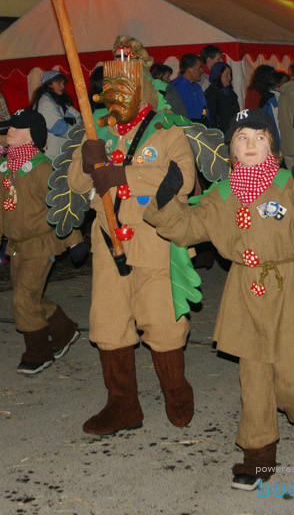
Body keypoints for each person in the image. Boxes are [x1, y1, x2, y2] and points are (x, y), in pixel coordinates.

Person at [144, 109, 294, 491]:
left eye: (259, 137)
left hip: (288, 288)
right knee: (254, 379)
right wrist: (165, 202)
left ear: (273, 148)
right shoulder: (221, 193)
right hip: (246, 290)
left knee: (293, 377)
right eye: (241, 137)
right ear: (231, 149)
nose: (250, 144)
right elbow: (186, 230)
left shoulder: (288, 184)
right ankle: (258, 455)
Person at [67, 45, 197, 434]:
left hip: (155, 241)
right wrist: (88, 162)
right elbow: (75, 184)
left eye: (123, 89)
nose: (115, 98)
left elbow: (183, 180)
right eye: (110, 90)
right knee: (107, 322)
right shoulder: (96, 132)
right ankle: (123, 405)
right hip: (107, 242)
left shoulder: (167, 130)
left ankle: (176, 393)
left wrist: (124, 177)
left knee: (162, 322)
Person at [0, 109, 83, 374]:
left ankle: (38, 352)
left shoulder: (42, 169)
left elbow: (60, 206)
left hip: (41, 243)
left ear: (32, 135)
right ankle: (65, 330)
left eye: (16, 128)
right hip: (16, 245)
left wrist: (75, 241)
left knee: (23, 299)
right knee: (30, 296)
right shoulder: (4, 168)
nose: (9, 131)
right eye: (9, 127)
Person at [31, 70, 81, 160]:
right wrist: (77, 131)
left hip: (60, 153)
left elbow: (80, 119)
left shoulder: (59, 102)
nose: (62, 86)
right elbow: (60, 128)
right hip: (50, 156)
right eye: (58, 83)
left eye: (63, 83)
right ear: (49, 84)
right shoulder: (44, 103)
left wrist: (71, 122)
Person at [169, 53, 208, 123]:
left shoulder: (197, 88)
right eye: (199, 67)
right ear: (189, 70)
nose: (202, 71)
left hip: (201, 130)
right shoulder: (173, 88)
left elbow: (205, 109)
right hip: (183, 130)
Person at [204, 61, 240, 132]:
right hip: (220, 133)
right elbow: (210, 117)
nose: (229, 78)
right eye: (226, 75)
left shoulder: (231, 93)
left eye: (230, 74)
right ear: (218, 76)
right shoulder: (211, 94)